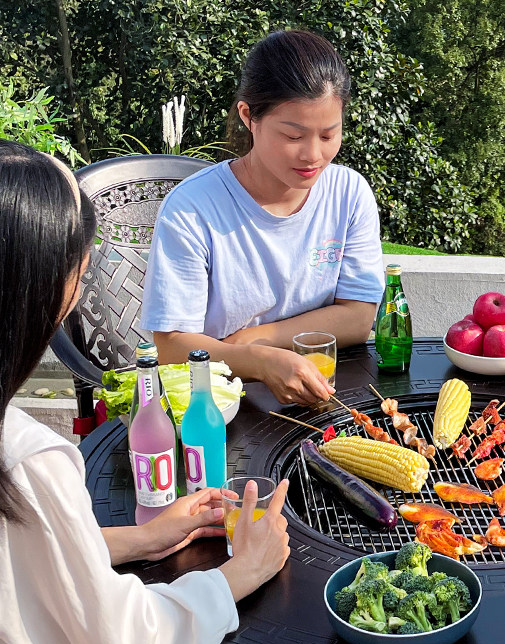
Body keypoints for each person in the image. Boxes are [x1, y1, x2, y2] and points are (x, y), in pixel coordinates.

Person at [0, 141, 296, 644]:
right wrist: (240, 572)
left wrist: (136, 538)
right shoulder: (23, 460)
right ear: (43, 291)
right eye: (80, 271)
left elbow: (17, 558)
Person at [140, 29, 385, 407]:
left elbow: (358, 317)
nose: (312, 155)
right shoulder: (192, 209)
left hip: (321, 396)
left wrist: (257, 339)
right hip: (218, 405)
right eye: (293, 136)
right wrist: (256, 361)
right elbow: (171, 346)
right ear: (248, 116)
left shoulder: (349, 194)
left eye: (328, 135)